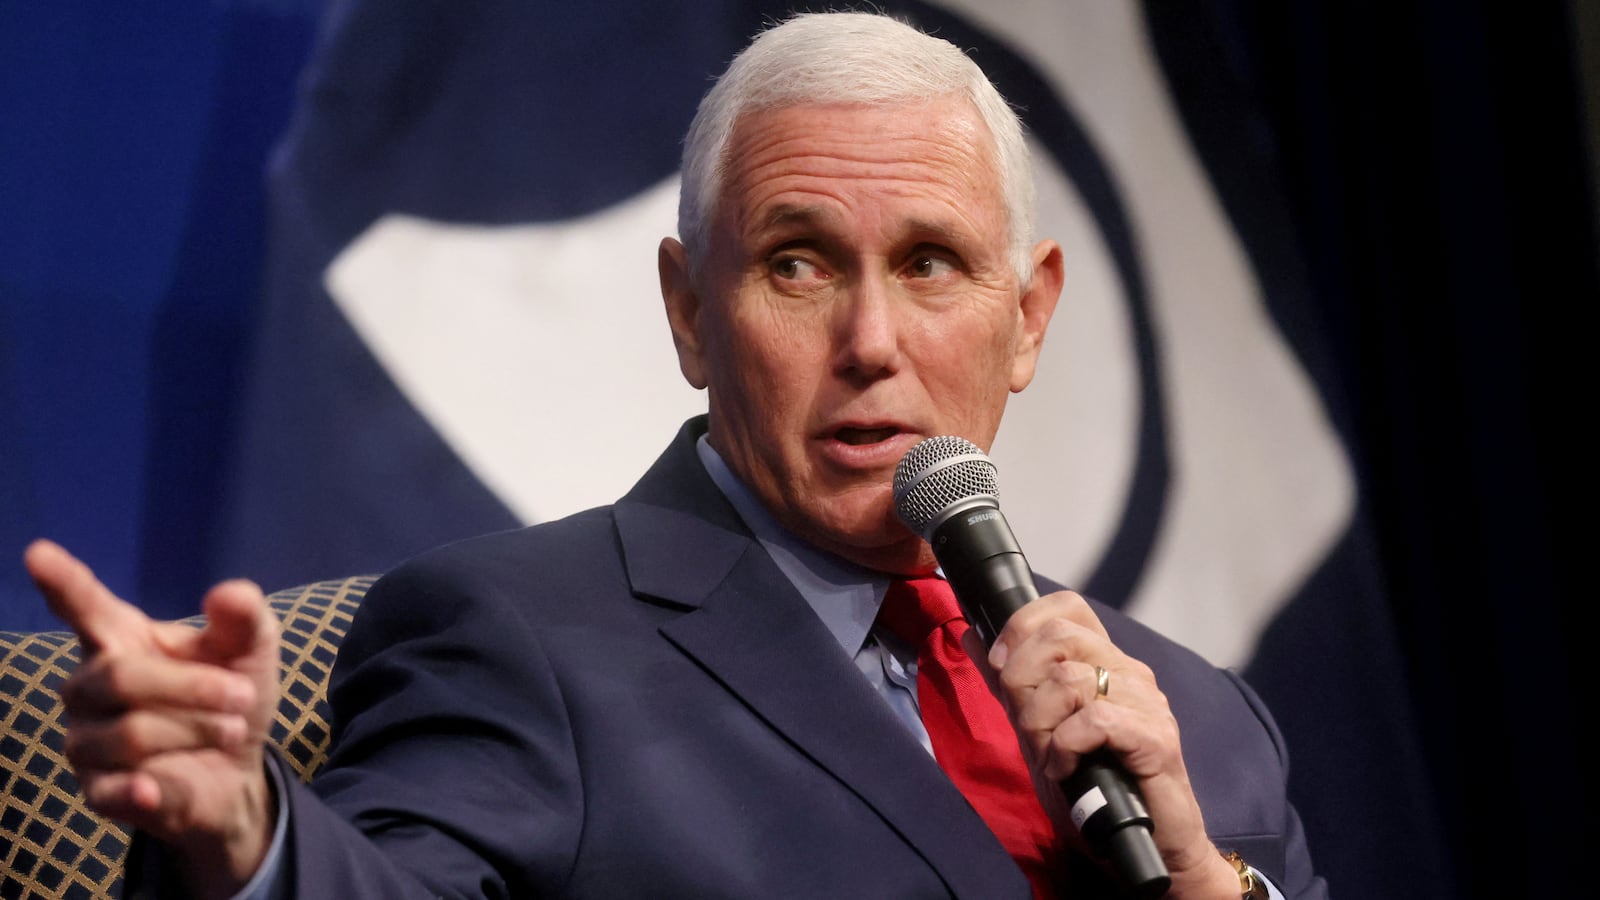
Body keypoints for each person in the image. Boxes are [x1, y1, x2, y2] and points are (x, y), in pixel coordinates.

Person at [25, 11, 1327, 899]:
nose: (871, 340)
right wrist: (244, 835)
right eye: (798, 264)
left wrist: (1208, 883)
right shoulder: (522, 641)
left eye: (929, 263)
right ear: (692, 312)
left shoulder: (1201, 720)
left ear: (1028, 315)